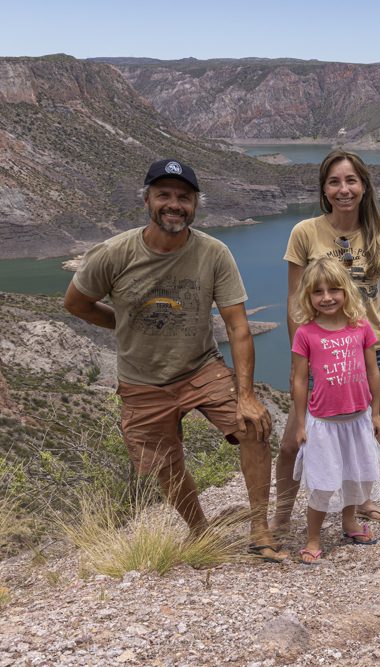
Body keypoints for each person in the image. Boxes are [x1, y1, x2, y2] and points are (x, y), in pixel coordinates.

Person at [63, 158, 287, 563]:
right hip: (142, 379)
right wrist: (124, 323)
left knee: (253, 426)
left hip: (200, 367)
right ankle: (199, 531)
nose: (174, 204)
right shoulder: (114, 253)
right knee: (165, 463)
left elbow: (238, 327)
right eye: (163, 195)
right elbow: (76, 303)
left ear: (195, 204)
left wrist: (247, 395)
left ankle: (260, 528)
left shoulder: (213, 253)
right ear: (147, 200)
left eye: (184, 197)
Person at [272, 150, 380, 532]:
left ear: (364, 186)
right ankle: (282, 513)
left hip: (374, 348)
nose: (343, 189)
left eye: (351, 181)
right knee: (293, 440)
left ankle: (361, 502)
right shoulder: (305, 232)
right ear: (324, 189)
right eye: (334, 182)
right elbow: (294, 299)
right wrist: (299, 358)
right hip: (322, 351)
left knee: (363, 433)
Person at [290, 257, 380, 563]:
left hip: (357, 419)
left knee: (354, 476)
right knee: (321, 482)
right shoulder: (306, 333)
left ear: (346, 291)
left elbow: (373, 371)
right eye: (318, 292)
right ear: (308, 296)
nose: (327, 297)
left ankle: (350, 523)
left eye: (334, 290)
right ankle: (313, 538)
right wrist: (300, 423)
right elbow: (299, 379)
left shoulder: (361, 327)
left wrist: (376, 412)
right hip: (324, 423)